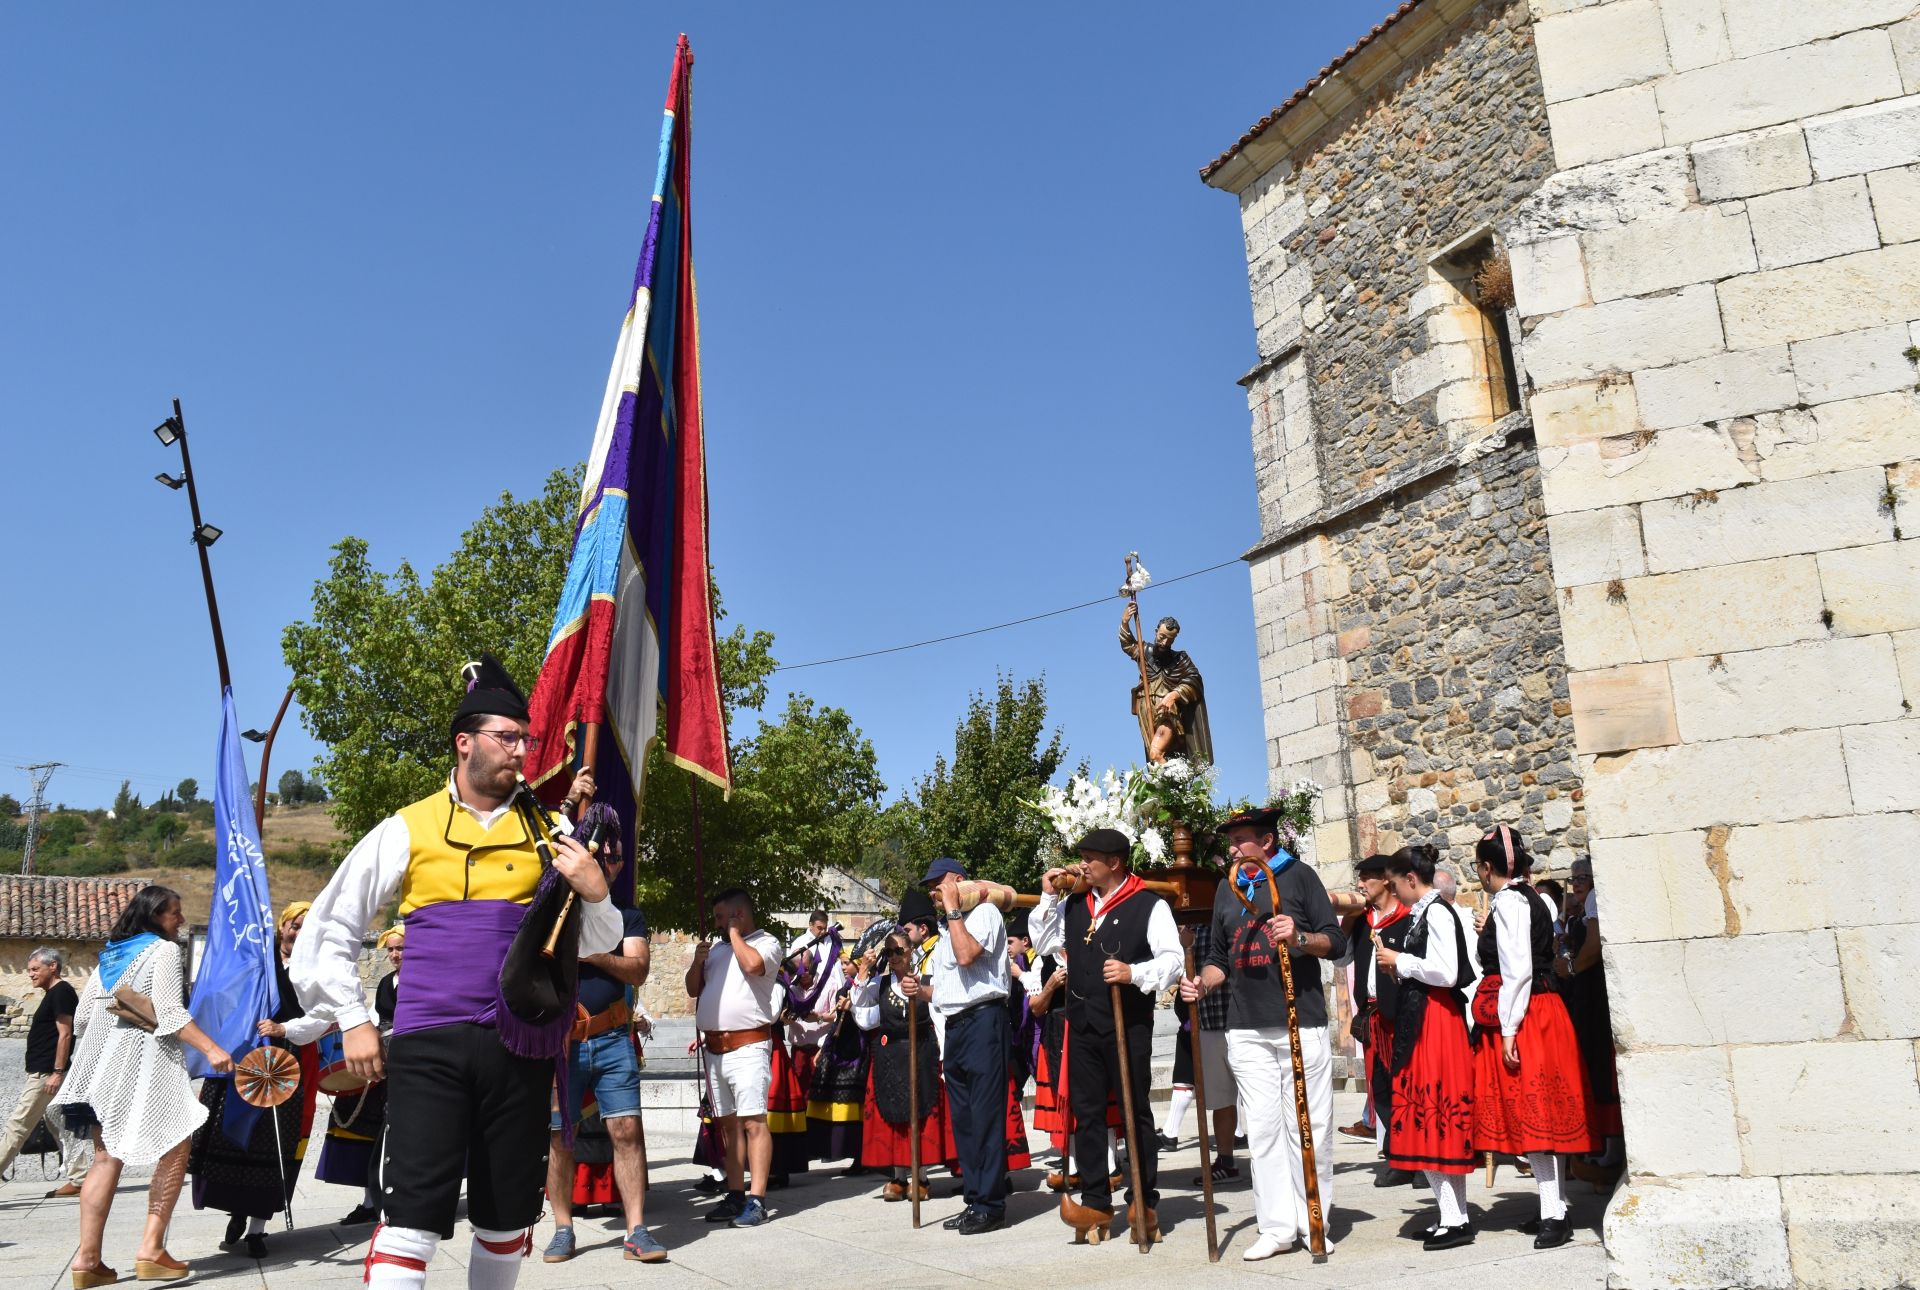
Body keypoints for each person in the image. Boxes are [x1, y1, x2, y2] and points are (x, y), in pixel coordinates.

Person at [289, 654, 621, 1290]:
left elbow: (599, 941)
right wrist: (355, 1020)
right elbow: (328, 929)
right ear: (464, 742)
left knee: (504, 1216)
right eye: (508, 737)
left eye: (525, 739)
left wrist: (595, 889)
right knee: (412, 1215)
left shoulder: (552, 830)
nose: (521, 751)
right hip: (428, 1043)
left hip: (520, 1045)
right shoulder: (405, 827)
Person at [1183, 805, 1345, 1262]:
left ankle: (1314, 1221)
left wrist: (1299, 937)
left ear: (1267, 841)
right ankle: (1275, 1228)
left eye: (1240, 841)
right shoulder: (1226, 888)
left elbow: (1336, 942)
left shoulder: (1299, 876)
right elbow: (1218, 957)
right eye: (1230, 843)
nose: (1232, 850)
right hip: (1246, 1028)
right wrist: (1201, 982)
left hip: (1301, 1021)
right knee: (1265, 1131)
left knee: (1307, 1127)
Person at [54, 885, 235, 1287]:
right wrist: (212, 1048)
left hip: (100, 1072)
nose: (181, 921)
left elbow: (83, 1020)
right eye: (175, 913)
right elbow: (169, 1011)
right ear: (155, 916)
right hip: (147, 1068)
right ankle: (151, 1249)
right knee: (176, 1146)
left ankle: (87, 1261)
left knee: (104, 1160)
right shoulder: (164, 951)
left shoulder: (110, 957)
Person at [1030, 830, 1181, 1245]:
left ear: (1114, 862)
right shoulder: (1076, 904)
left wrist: (1135, 973)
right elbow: (1043, 944)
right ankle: (1096, 1199)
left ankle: (1143, 1199)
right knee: (1088, 1113)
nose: (1082, 865)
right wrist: (1048, 897)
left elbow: (1173, 960)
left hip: (1126, 1024)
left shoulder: (1148, 904)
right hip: (1081, 1024)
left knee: (1135, 1112)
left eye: (1089, 858)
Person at [543, 802, 661, 1264]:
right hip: (564, 1041)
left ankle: (636, 1229)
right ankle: (562, 1228)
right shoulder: (555, 909)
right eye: (600, 856)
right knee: (558, 1138)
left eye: (613, 858)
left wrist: (594, 956)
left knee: (627, 1129)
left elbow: (638, 970)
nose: (607, 864)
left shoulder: (629, 915)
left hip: (612, 1037)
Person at [1471, 825, 1596, 1250]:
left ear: (1488, 868)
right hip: (1547, 1009)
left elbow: (1517, 970)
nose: (1480, 875)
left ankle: (1555, 1214)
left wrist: (1508, 1028)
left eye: (1479, 868)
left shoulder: (1507, 901)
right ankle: (1554, 1205)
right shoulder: (1537, 897)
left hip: (1529, 1013)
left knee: (1537, 1115)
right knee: (1545, 1112)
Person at [192, 900, 330, 1259]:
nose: (298, 934)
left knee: (273, 1140)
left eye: (305, 927)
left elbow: (322, 1017)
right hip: (245, 1053)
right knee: (235, 1133)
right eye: (294, 926)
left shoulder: (316, 969)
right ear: (283, 927)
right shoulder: (259, 962)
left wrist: (284, 1027)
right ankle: (235, 1211)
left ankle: (257, 1227)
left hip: (286, 1059)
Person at [1374, 846, 1478, 1249]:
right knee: (1431, 1115)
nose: (1396, 893)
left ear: (1410, 879)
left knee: (1432, 1114)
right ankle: (1454, 1216)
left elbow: (1446, 971)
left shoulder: (1435, 911)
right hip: (1428, 1017)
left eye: (1396, 884)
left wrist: (1399, 961)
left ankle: (1454, 1218)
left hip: (1435, 1021)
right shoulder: (1430, 911)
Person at [922, 857, 1015, 1236]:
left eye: (939, 884)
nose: (934, 893)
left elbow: (967, 956)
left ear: (959, 882)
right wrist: (917, 990)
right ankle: (975, 1199)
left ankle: (991, 1204)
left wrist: (953, 909)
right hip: (957, 1026)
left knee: (985, 1117)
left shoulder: (985, 914)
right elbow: (947, 990)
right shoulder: (948, 928)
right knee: (964, 1120)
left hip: (985, 1022)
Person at [686, 886, 784, 1230]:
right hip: (715, 1049)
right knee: (727, 1126)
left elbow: (754, 966)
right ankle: (735, 1193)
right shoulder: (716, 950)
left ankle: (757, 1199)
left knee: (753, 1122)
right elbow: (692, 989)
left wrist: (732, 933)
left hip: (748, 1047)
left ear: (738, 915)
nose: (715, 924)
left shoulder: (766, 943)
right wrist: (699, 962)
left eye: (720, 917)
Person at [852, 908, 955, 1201]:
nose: (895, 955)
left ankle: (921, 1178)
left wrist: (942, 1055)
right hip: (889, 1059)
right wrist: (862, 975)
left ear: (910, 951)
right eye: (890, 951)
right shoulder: (880, 984)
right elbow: (865, 1019)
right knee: (894, 1116)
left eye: (899, 950)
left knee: (919, 1116)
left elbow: (940, 1019)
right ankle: (898, 1177)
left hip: (921, 1054)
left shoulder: (925, 981)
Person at [317, 925, 404, 1226]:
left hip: (409, 1065)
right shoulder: (383, 983)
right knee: (361, 1123)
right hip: (383, 1063)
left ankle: (399, 1199)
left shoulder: (423, 981)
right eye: (391, 949)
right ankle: (369, 1200)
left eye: (400, 948)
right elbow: (378, 1018)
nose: (394, 955)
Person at [1347, 853, 1414, 1187]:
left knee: (1408, 1085)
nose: (1360, 885)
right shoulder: (1361, 921)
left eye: (1366, 878)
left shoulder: (1407, 916)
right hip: (1373, 1015)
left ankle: (1418, 1157)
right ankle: (1398, 1156)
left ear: (1386, 880)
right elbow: (1341, 954)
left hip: (1401, 1013)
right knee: (1382, 1088)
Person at [0, 948, 90, 1195]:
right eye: (29, 969)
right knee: (60, 1126)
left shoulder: (61, 992)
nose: (30, 974)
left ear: (53, 967)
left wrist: (57, 1072)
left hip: (47, 1075)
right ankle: (80, 1178)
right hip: (45, 1073)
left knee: (18, 1125)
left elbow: (66, 1034)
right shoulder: (54, 993)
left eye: (35, 969)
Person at [766, 910, 841, 1187]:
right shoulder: (788, 983)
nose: (806, 975)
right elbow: (784, 1013)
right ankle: (783, 1163)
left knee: (812, 1102)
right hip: (795, 1046)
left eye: (808, 971)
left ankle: (811, 1152)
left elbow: (833, 1008)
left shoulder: (828, 976)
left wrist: (821, 1019)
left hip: (817, 1043)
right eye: (802, 971)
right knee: (788, 1107)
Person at [1557, 858, 1623, 1170]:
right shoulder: (1581, 911)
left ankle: (1611, 1147)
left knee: (1600, 1064)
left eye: (1584, 877)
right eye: (1575, 879)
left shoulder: (1596, 899)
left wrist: (1569, 967)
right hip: (1587, 992)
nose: (1578, 883)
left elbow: (1595, 947)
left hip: (1594, 992)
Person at [1118, 605, 1214, 764]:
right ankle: (1171, 782)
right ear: (1156, 631)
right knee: (1154, 759)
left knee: (1155, 754)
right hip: (1146, 708)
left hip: (1167, 711)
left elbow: (1194, 678)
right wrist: (1125, 622)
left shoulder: (1180, 659)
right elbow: (1127, 644)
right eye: (1162, 636)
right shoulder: (1144, 651)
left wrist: (1173, 695)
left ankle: (1172, 780)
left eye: (1170, 640)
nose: (1164, 642)